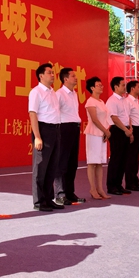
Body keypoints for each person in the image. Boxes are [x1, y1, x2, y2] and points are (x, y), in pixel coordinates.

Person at [28, 63, 62, 212]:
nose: (53, 75)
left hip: (56, 130)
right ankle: (39, 201)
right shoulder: (36, 92)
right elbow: (32, 114)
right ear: (41, 76)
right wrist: (37, 136)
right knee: (41, 167)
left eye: (53, 72)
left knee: (52, 166)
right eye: (49, 72)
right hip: (43, 130)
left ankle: (48, 199)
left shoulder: (53, 92)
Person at [54, 67, 85, 205]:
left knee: (72, 163)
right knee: (62, 162)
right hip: (64, 128)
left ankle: (69, 192)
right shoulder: (59, 94)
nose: (76, 78)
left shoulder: (74, 94)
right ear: (65, 79)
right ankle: (60, 194)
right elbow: (55, 112)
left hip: (75, 127)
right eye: (73, 76)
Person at [83, 77, 112, 200]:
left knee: (99, 162)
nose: (101, 87)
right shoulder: (90, 102)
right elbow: (94, 119)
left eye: (101, 85)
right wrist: (105, 131)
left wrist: (106, 130)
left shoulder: (101, 102)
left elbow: (107, 118)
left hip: (102, 133)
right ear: (92, 88)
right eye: (98, 85)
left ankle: (100, 188)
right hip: (93, 133)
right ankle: (93, 189)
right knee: (92, 162)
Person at [105, 76, 133, 195]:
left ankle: (119, 184)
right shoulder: (112, 100)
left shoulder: (125, 100)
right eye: (122, 85)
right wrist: (125, 130)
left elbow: (128, 116)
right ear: (116, 87)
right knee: (116, 158)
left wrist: (130, 129)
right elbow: (114, 118)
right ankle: (111, 186)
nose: (124, 87)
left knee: (124, 159)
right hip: (117, 131)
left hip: (126, 130)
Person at [125, 80, 139, 191]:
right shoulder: (128, 101)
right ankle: (129, 182)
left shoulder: (136, 102)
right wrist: (131, 131)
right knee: (131, 157)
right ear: (132, 88)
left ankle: (135, 180)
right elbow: (127, 117)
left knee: (136, 157)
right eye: (138, 87)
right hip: (134, 130)